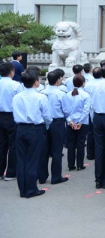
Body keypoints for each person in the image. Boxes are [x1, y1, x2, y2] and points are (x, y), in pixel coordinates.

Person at [12, 70, 51, 198]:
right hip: (35, 129)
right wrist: (45, 127)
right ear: (36, 82)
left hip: (20, 128)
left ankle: (22, 189)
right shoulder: (41, 97)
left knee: (21, 159)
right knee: (32, 160)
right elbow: (47, 117)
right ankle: (31, 189)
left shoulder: (17, 96)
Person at [38, 71, 69, 185]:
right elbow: (66, 110)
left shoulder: (42, 92)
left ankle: (42, 176)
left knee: (44, 150)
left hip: (44, 122)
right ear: (58, 80)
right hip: (57, 122)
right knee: (56, 150)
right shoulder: (61, 94)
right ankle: (56, 176)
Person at [0, 62, 23, 182]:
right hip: (11, 116)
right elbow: (19, 102)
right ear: (12, 72)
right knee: (13, 144)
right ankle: (11, 172)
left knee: (1, 144)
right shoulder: (16, 85)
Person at [64, 75, 91, 172]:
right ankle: (80, 164)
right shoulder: (86, 95)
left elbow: (65, 110)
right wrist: (80, 122)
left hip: (70, 122)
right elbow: (86, 110)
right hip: (82, 122)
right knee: (80, 143)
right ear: (83, 83)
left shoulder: (67, 94)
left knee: (71, 143)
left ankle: (70, 165)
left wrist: (70, 121)